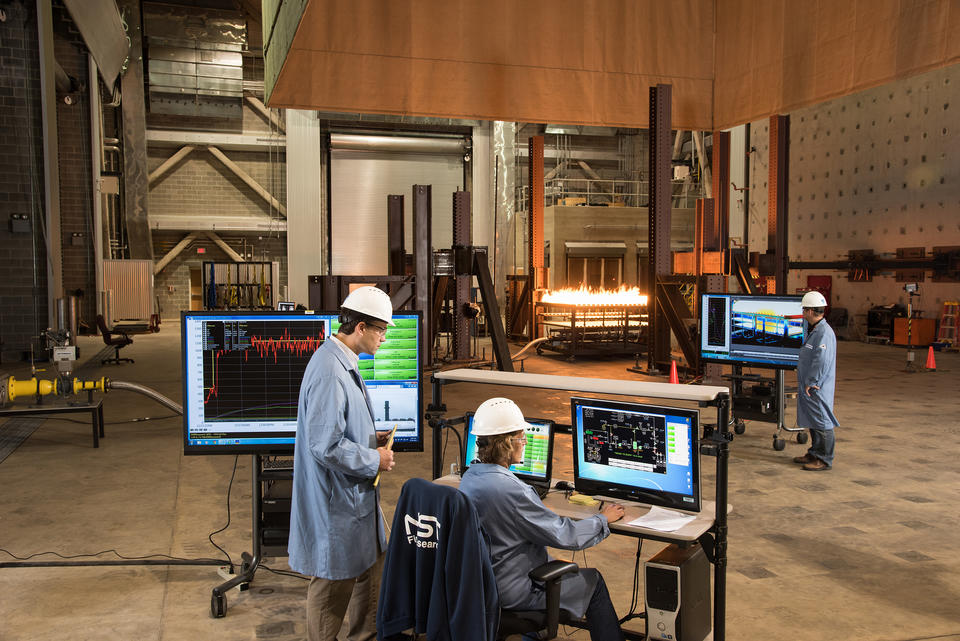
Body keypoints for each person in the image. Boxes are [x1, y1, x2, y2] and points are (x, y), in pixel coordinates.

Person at [459, 397, 627, 641]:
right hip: (513, 591)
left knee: (547, 560)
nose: (525, 442)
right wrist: (602, 519)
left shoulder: (470, 479)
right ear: (506, 444)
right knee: (593, 581)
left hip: (482, 585)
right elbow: (564, 534)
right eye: (521, 436)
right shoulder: (514, 491)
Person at [288, 286, 397, 641]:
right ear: (361, 327)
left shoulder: (344, 361)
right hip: (337, 501)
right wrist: (373, 458)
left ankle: (364, 636)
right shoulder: (329, 371)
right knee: (333, 582)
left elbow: (341, 426)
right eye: (381, 330)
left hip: (355, 499)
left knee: (373, 564)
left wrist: (369, 437)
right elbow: (325, 445)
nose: (383, 338)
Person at [793, 290, 840, 471]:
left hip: (816, 387)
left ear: (811, 311)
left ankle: (824, 459)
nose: (803, 313)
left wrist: (812, 381)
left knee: (822, 422)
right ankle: (814, 453)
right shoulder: (815, 330)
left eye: (805, 310)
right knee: (813, 421)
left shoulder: (824, 333)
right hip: (809, 386)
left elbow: (822, 360)